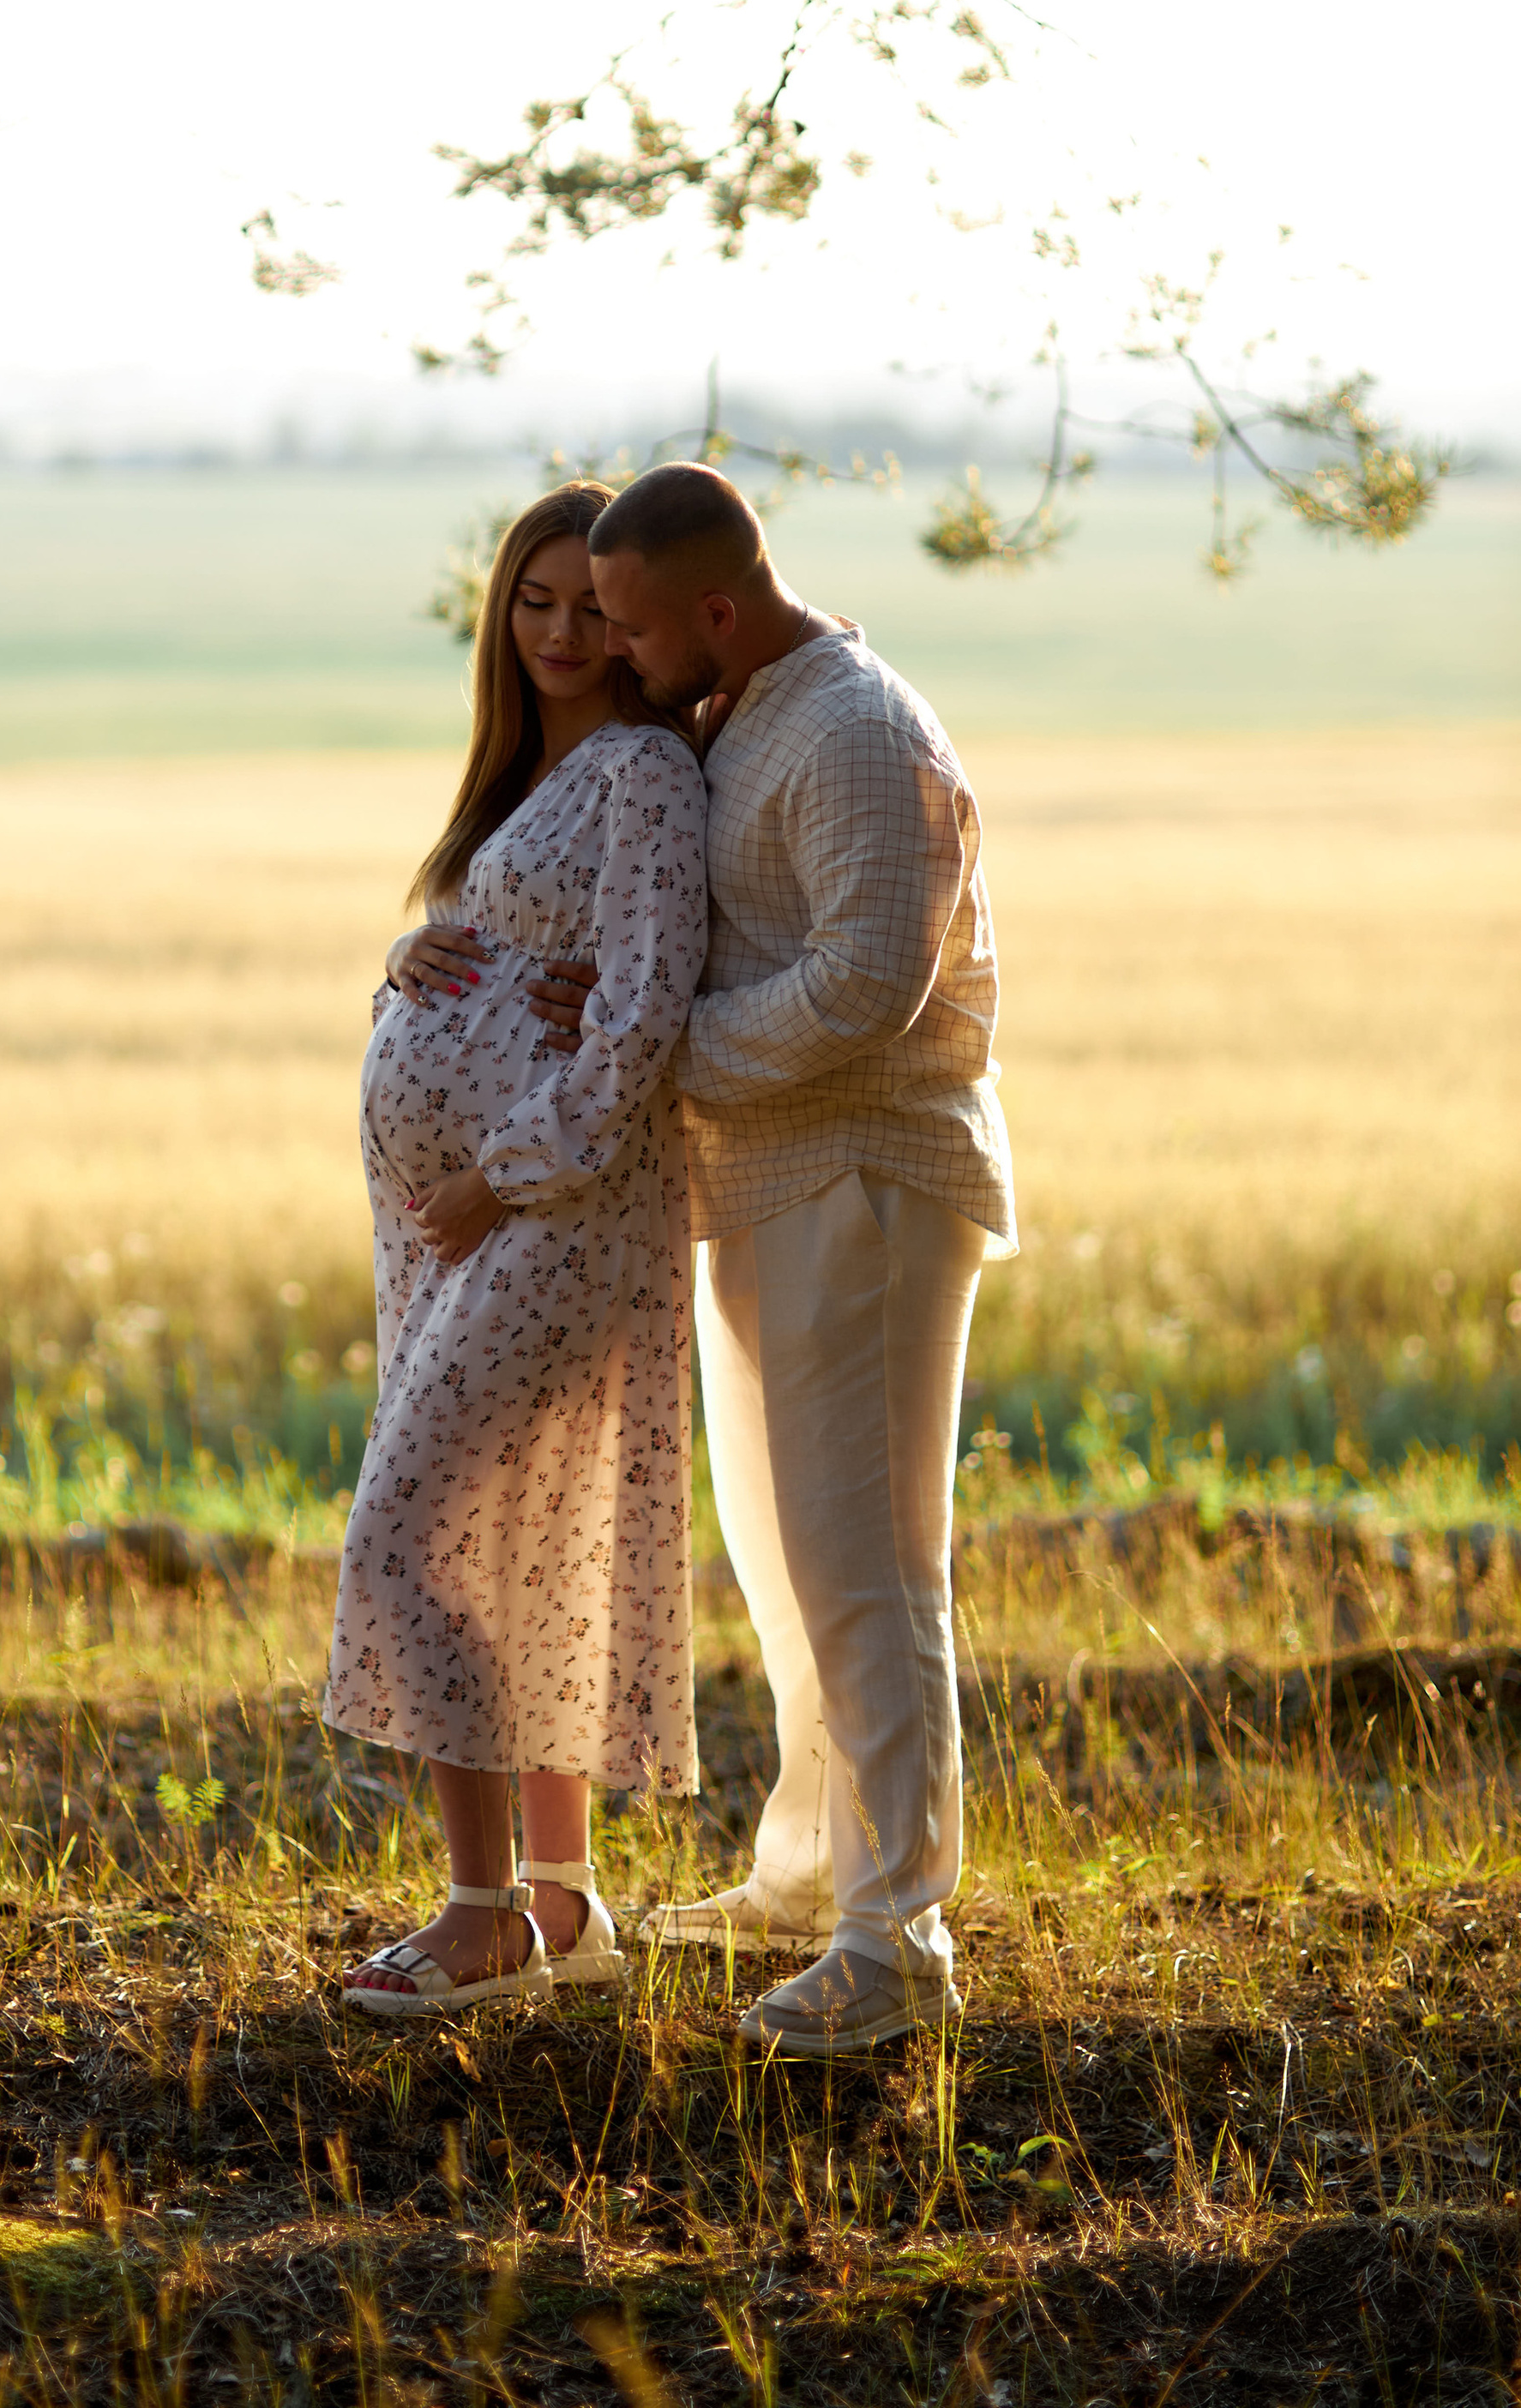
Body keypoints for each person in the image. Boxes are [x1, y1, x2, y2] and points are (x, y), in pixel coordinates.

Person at [561, 461, 1014, 2058]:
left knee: (872, 1575)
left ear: (721, 607)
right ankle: (811, 1868)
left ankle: (899, 1945)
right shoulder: (750, 707)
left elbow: (867, 984)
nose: (613, 649)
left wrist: (664, 1048)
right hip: (770, 1189)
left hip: (868, 1192)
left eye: (627, 621)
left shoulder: (862, 733)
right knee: (786, 1564)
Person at [327, 481, 711, 2018]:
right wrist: (409, 970)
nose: (561, 632)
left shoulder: (642, 775)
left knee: (408, 1534)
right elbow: (506, 978)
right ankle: (563, 1905)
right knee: (514, 1546)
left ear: (633, 621)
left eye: (590, 607)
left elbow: (635, 1030)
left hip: (555, 1215)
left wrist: (498, 1173)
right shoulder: (517, 779)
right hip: (456, 1231)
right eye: (532, 603)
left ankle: (479, 1917)